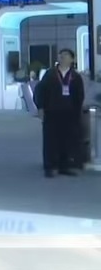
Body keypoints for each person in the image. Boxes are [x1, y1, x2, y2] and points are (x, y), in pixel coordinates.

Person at [35, 49, 85, 177]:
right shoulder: (50, 74)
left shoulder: (75, 77)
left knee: (67, 139)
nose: (63, 58)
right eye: (61, 56)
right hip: (52, 111)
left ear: (72, 59)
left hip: (69, 113)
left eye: (66, 56)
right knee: (50, 139)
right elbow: (40, 91)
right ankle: (50, 166)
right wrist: (40, 107)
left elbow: (79, 96)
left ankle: (64, 166)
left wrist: (77, 112)